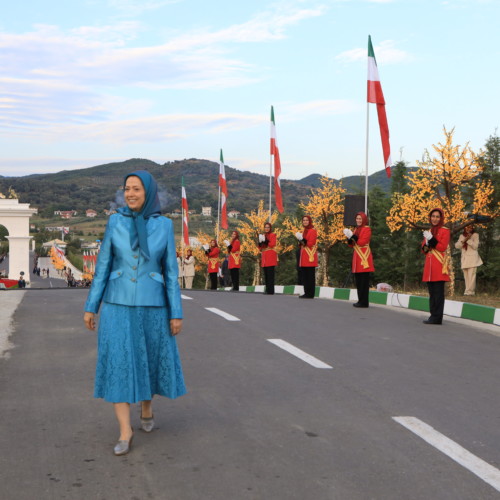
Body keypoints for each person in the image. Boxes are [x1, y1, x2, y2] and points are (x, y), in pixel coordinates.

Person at [83, 170, 186, 456]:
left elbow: (170, 272)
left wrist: (175, 312)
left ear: (148, 193)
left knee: (148, 361)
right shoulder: (114, 221)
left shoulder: (164, 226)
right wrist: (92, 306)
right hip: (116, 305)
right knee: (119, 363)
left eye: (136, 189)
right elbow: (102, 266)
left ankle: (147, 406)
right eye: (127, 188)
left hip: (153, 306)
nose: (130, 194)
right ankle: (125, 431)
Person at [421, 207, 450, 325]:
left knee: (438, 293)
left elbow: (442, 247)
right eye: (433, 216)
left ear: (441, 218)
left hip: (439, 265)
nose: (435, 219)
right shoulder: (429, 231)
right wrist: (427, 242)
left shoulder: (445, 231)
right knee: (432, 293)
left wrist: (432, 239)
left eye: (437, 217)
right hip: (430, 266)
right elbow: (424, 250)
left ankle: (437, 318)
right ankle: (433, 315)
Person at [343, 212, 375, 308]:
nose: (358, 220)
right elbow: (352, 244)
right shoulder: (356, 229)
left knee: (364, 281)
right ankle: (360, 300)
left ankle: (364, 302)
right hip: (357, 257)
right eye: (357, 218)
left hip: (364, 257)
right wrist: (349, 238)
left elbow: (362, 242)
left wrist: (353, 237)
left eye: (360, 219)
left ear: (364, 220)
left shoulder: (367, 229)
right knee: (358, 281)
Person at [455, 225, 482, 296]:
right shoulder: (462, 235)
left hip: (473, 258)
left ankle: (471, 292)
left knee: (472, 276)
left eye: (470, 227)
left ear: (472, 228)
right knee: (466, 276)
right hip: (464, 258)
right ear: (464, 228)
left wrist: (468, 240)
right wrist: (463, 240)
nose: (468, 229)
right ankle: (467, 291)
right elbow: (457, 246)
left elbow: (476, 246)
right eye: (467, 227)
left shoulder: (475, 235)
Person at [295, 215, 317, 298]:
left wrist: (303, 240)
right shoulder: (304, 231)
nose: (305, 221)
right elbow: (302, 244)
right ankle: (306, 292)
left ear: (309, 221)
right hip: (304, 256)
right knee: (305, 276)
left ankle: (310, 293)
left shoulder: (312, 230)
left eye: (306, 220)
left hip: (310, 256)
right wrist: (300, 241)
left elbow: (311, 243)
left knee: (310, 276)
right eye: (304, 220)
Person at [258, 222, 278, 295]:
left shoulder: (273, 235)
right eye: (265, 227)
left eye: (268, 227)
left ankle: (271, 290)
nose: (266, 229)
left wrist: (266, 242)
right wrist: (260, 243)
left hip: (270, 256)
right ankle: (267, 289)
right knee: (266, 274)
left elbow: (272, 244)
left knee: (270, 274)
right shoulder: (263, 235)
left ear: (270, 228)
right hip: (264, 257)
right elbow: (260, 248)